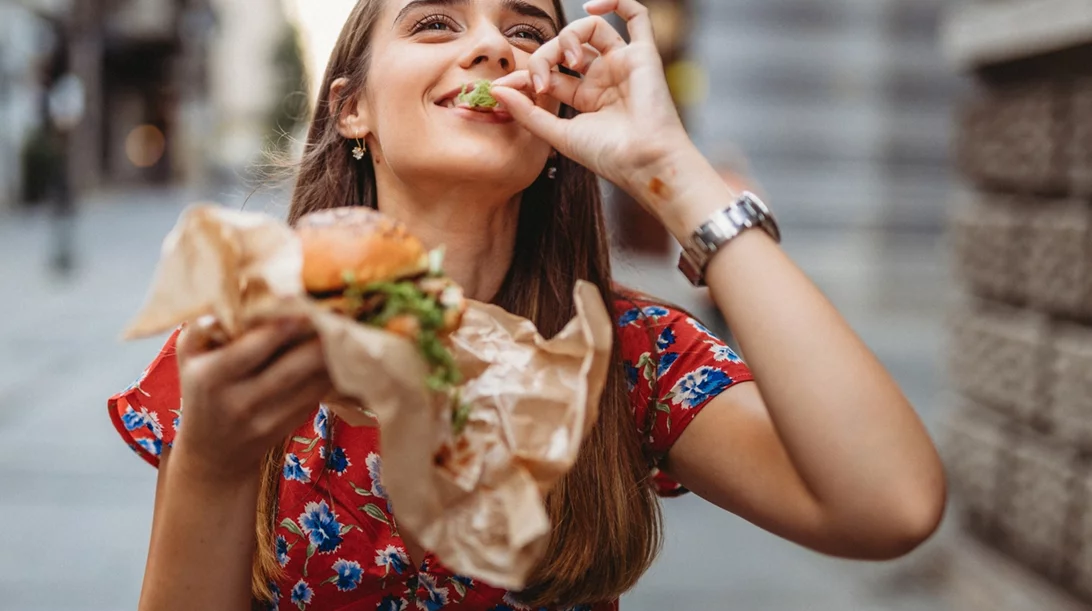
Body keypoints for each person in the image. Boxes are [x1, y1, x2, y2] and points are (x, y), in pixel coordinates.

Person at [107, 1, 947, 610]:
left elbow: (891, 505)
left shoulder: (625, 353)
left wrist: (669, 167)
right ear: (351, 108)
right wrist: (214, 463)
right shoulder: (242, 338)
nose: (490, 49)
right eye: (436, 23)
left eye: (525, 33)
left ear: (554, 117)